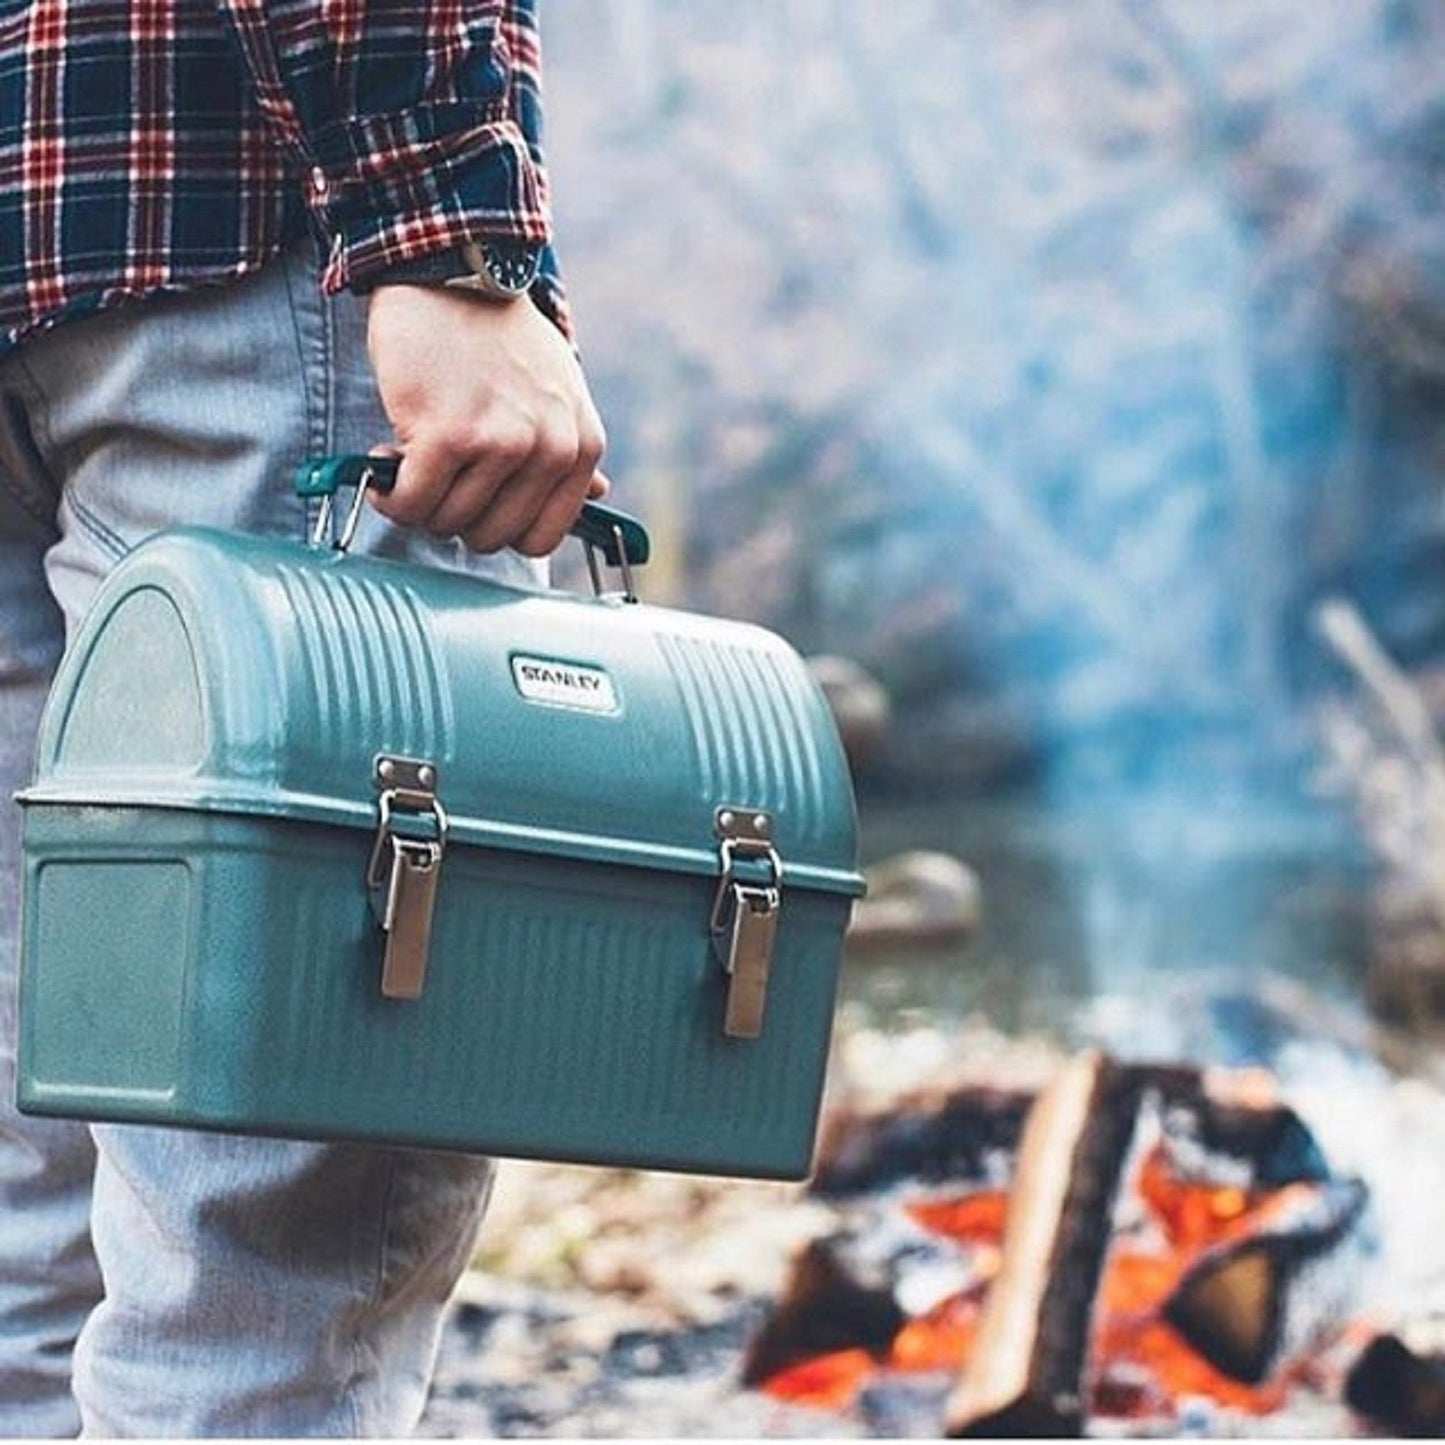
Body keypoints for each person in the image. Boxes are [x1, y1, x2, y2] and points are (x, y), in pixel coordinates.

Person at [0, 0, 606, 1434]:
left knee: (34, 1236)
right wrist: (441, 232)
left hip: (57, 228)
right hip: (224, 214)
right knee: (258, 1269)